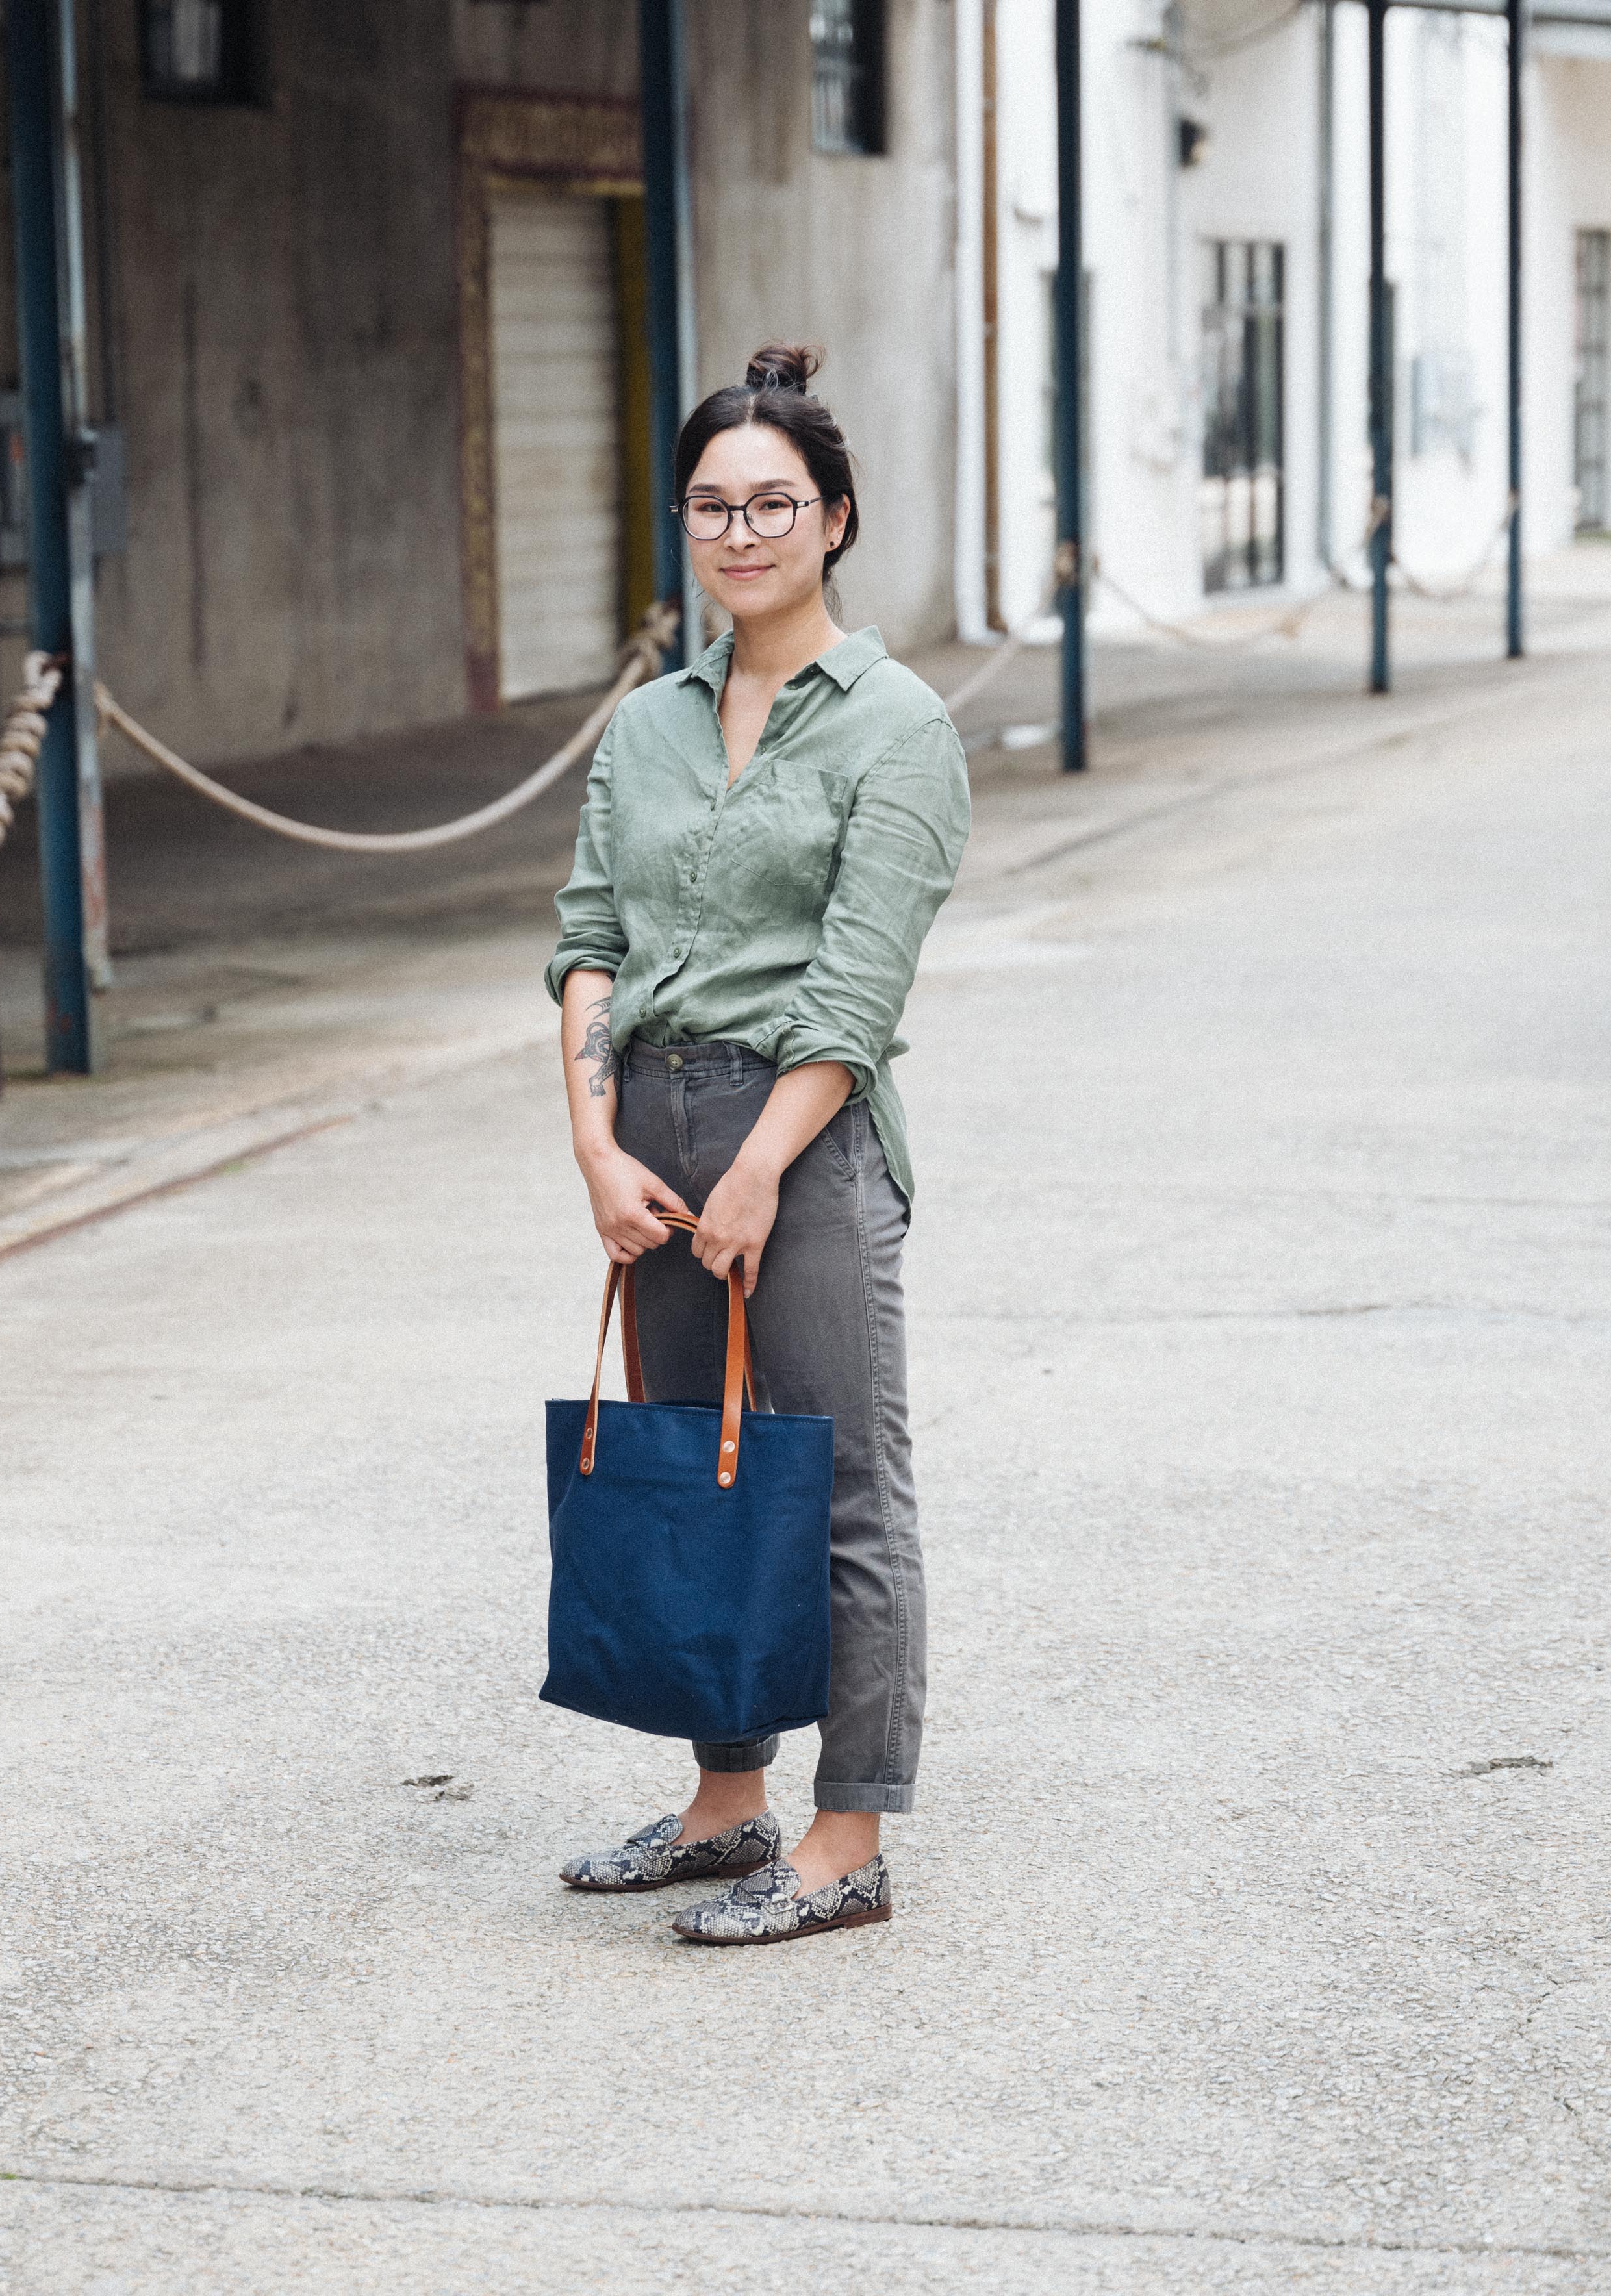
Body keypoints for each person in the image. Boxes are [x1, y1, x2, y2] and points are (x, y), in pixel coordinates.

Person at [544, 343, 970, 1945]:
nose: (742, 531)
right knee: (693, 1467)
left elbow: (858, 987)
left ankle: (849, 1833)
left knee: (840, 1483)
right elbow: (587, 933)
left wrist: (756, 1166)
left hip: (806, 1137)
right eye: (712, 505)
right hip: (650, 1130)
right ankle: (729, 1802)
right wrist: (596, 1142)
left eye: (773, 502)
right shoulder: (647, 726)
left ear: (834, 519)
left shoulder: (897, 727)